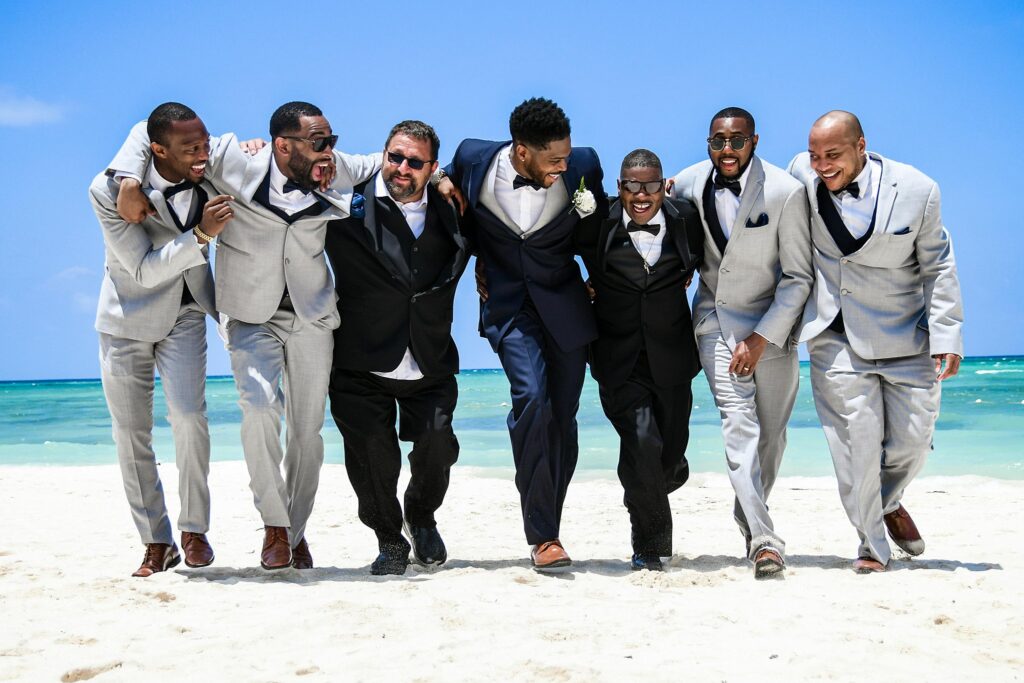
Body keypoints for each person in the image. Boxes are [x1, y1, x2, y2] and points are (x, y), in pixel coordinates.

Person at [109, 102, 381, 570]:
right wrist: (129, 178)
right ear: (283, 145)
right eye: (318, 142)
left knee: (307, 431)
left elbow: (387, 160)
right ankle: (274, 526)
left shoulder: (334, 168)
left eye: (331, 141)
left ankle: (295, 532)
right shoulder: (232, 160)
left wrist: (437, 177)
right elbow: (148, 131)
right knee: (258, 407)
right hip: (250, 315)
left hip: (312, 313)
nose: (329, 152)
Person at [788, 111, 964, 573]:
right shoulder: (798, 175)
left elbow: (938, 265)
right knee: (855, 444)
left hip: (906, 334)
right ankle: (872, 546)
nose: (822, 166)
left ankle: (888, 503)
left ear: (862, 146)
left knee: (911, 442)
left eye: (833, 155)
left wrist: (947, 335)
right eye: (815, 156)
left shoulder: (918, 190)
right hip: (834, 334)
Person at [437, 97, 608, 571]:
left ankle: (549, 521)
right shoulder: (473, 157)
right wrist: (439, 179)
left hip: (568, 306)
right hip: (509, 308)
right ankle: (543, 535)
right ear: (520, 152)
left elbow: (600, 227)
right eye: (553, 160)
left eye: (566, 157)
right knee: (531, 397)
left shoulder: (584, 166)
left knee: (563, 417)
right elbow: (437, 171)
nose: (563, 166)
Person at [90, 102, 232, 576]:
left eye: (205, 144)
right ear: (157, 151)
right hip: (126, 317)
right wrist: (200, 237)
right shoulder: (107, 192)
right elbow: (144, 270)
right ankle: (157, 541)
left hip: (187, 310)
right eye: (190, 148)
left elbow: (257, 157)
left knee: (190, 417)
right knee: (132, 434)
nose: (202, 155)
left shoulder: (209, 169)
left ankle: (194, 530)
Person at [670, 107, 813, 579]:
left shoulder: (786, 192)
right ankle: (765, 539)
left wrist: (760, 338)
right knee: (739, 426)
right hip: (714, 319)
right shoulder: (689, 182)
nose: (726, 150)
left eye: (735, 141)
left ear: (754, 140)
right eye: (717, 141)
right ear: (707, 142)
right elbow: (647, 199)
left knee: (772, 437)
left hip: (771, 326)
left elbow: (797, 279)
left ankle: (748, 512)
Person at [324, 121, 469, 575]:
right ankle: (389, 538)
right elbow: (291, 169)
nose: (401, 168)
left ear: (432, 167)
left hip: (430, 356)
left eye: (414, 162)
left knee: (437, 445)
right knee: (371, 458)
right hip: (359, 359)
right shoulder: (346, 204)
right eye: (395, 157)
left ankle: (420, 516)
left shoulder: (453, 209)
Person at [576, 149, 703, 571]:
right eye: (632, 185)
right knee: (642, 443)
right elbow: (554, 256)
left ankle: (660, 479)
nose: (641, 195)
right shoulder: (597, 223)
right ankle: (648, 542)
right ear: (619, 187)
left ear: (663, 185)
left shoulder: (686, 219)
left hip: (673, 357)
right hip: (617, 359)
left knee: (667, 454)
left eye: (650, 185)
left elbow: (710, 259)